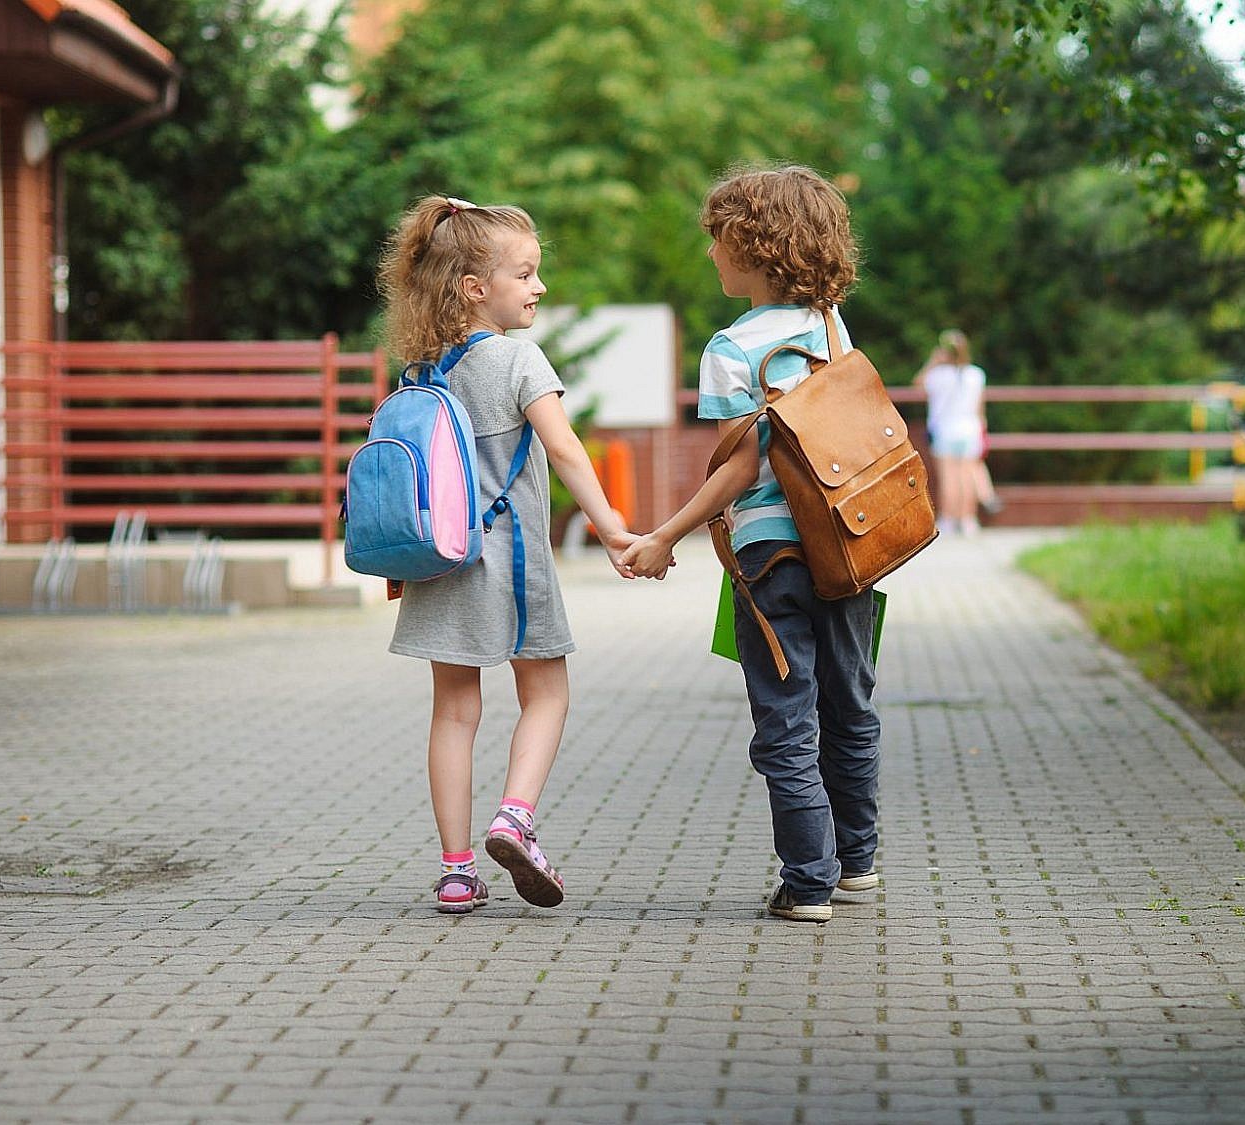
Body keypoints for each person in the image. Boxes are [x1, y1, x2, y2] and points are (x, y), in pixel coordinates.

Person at [619, 166, 881, 925]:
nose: (711, 254)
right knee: (850, 703)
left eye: (719, 240)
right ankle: (857, 863)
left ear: (756, 246)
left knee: (786, 720)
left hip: (770, 555)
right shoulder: (831, 325)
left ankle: (808, 882)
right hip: (848, 544)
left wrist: (664, 536)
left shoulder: (731, 349)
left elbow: (739, 468)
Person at [376, 195, 636, 914]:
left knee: (454, 713)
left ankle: (456, 871)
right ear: (473, 287)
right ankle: (514, 818)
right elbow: (566, 449)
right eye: (524, 274)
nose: (539, 286)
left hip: (439, 565)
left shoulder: (421, 372)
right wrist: (612, 528)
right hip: (514, 565)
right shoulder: (519, 359)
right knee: (546, 693)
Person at [916, 329, 989, 535]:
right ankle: (968, 519)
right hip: (970, 429)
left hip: (945, 430)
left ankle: (948, 518)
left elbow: (918, 384)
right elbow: (980, 408)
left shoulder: (937, 376)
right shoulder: (976, 375)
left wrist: (932, 361)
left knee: (948, 477)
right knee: (966, 476)